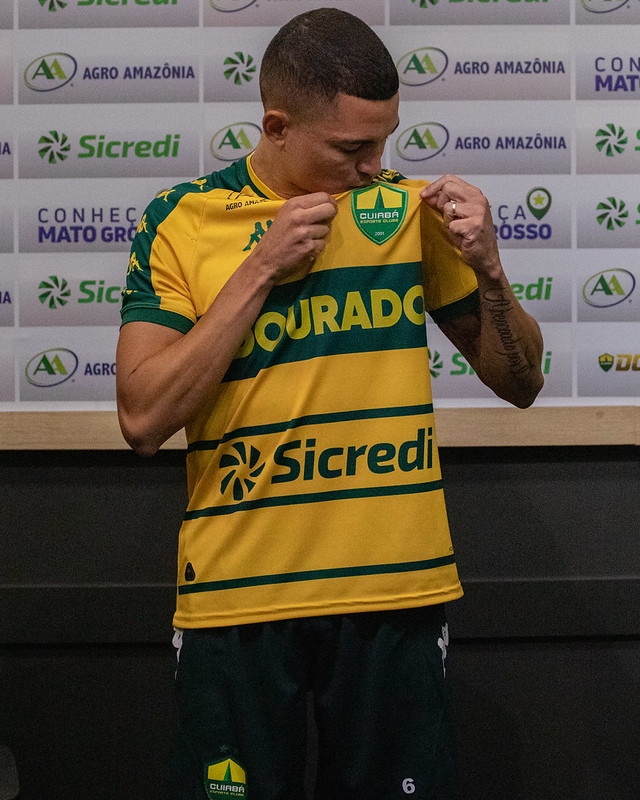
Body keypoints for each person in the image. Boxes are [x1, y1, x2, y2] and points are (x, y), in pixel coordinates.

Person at [116, 8, 543, 799]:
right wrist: (257, 270)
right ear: (277, 125)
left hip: (395, 592)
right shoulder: (181, 222)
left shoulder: (405, 214)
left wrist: (489, 268)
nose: (374, 164)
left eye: (385, 141)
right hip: (237, 599)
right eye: (351, 148)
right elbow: (143, 418)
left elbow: (519, 384)